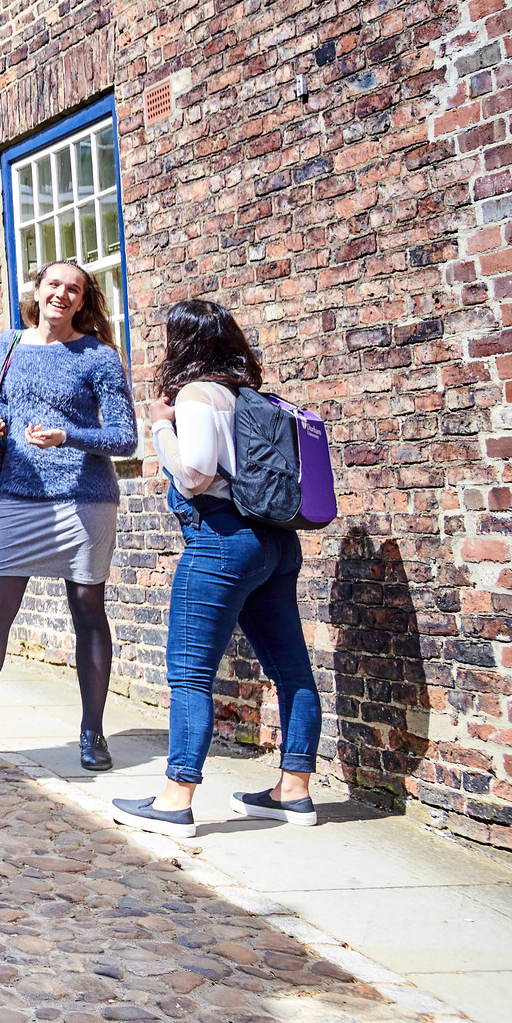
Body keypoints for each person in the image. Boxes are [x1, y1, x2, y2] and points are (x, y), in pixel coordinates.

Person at [112, 299, 322, 839]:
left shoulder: (198, 395)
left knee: (189, 674)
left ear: (181, 344)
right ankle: (292, 792)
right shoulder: (254, 398)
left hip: (224, 541)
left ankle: (175, 799)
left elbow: (195, 475)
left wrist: (160, 427)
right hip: (276, 543)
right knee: (292, 670)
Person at [0, 261, 139, 772]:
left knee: (87, 612)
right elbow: (0, 415)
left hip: (84, 497)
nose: (62, 294)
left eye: (73, 289)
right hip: (17, 496)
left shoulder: (98, 356)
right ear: (38, 289)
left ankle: (93, 733)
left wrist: (67, 435)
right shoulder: (7, 346)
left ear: (82, 300)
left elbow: (124, 438)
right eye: (54, 284)